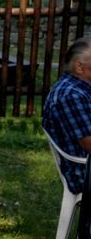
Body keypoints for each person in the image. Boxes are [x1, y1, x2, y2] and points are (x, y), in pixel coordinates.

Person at [42, 37, 91, 194]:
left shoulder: (81, 88)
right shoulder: (71, 95)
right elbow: (88, 143)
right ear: (79, 67)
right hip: (84, 172)